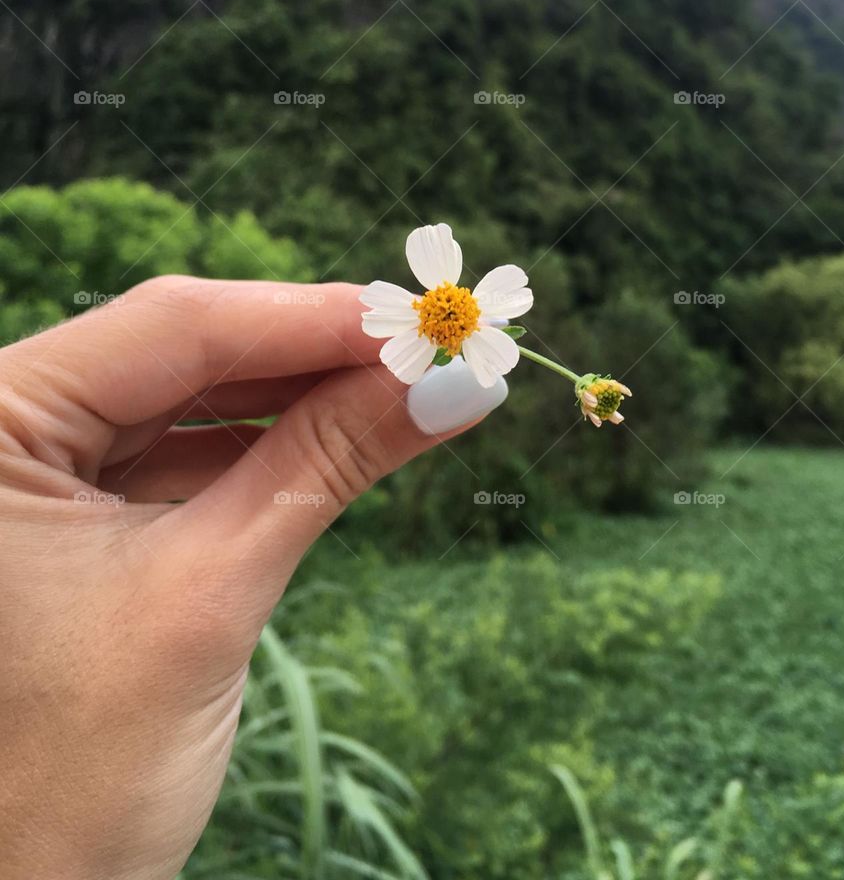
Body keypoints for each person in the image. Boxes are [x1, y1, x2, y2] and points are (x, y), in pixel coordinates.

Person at [0, 275, 506, 879]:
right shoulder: (418, 332)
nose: (447, 314)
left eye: (450, 314)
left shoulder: (468, 331)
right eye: (444, 312)